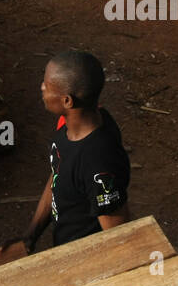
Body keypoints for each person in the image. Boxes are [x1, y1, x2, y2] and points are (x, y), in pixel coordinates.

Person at [21, 51, 131, 252]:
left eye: (47, 85)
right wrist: (30, 235)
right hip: (65, 243)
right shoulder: (69, 127)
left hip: (87, 257)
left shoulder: (98, 163)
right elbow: (58, 173)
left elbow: (119, 238)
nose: (41, 87)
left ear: (67, 101)